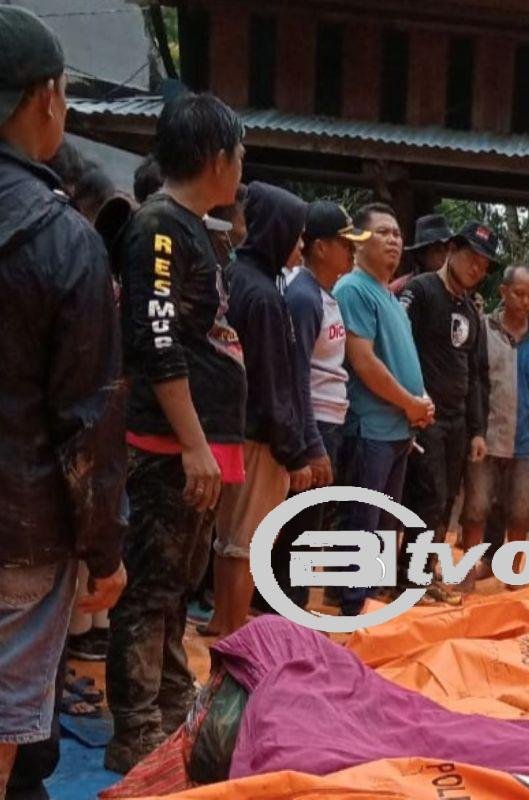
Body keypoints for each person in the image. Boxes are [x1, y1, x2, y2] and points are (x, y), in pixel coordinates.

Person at [0, 7, 127, 793]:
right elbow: (87, 424)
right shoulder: (61, 239)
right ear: (47, 98)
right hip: (19, 526)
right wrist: (104, 551)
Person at [106, 90, 247, 772]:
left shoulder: (191, 228)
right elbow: (156, 342)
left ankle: (166, 711)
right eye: (240, 153)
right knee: (151, 588)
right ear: (218, 157)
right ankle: (134, 731)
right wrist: (192, 443)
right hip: (169, 446)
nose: (241, 166)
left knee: (176, 586)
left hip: (197, 442)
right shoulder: (159, 227)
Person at [204, 182, 310, 638]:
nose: (301, 245)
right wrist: (294, 450)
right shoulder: (265, 296)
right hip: (258, 437)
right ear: (278, 231)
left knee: (229, 539)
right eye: (297, 234)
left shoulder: (234, 275)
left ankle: (222, 622)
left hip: (230, 429)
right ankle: (232, 632)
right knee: (247, 543)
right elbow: (271, 382)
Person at [332, 203, 433, 615]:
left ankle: (364, 605)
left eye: (397, 233)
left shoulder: (387, 296)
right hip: (369, 426)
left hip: (396, 430)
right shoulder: (353, 289)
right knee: (362, 522)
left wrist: (421, 402)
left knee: (381, 525)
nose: (394, 240)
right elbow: (364, 362)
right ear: (357, 242)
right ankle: (350, 612)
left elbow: (400, 358)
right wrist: (411, 402)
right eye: (383, 233)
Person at [266, 202, 367, 611]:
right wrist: (311, 444)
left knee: (311, 518)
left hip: (329, 421)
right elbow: (297, 376)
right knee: (299, 521)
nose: (352, 251)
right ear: (321, 248)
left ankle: (290, 603)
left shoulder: (324, 296)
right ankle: (284, 606)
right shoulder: (304, 297)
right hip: (315, 425)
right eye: (346, 243)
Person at [399, 221, 498, 587]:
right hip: (423, 416)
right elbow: (398, 349)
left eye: (484, 264)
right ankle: (410, 577)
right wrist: (408, 403)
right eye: (472, 257)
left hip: (458, 421)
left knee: (446, 502)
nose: (477, 268)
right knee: (428, 496)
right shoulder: (421, 290)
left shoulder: (471, 310)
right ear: (451, 249)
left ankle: (423, 572)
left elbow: (476, 375)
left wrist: (478, 430)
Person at [459, 266, 529, 589]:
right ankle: (468, 574)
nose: (525, 301)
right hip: (484, 437)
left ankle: (513, 576)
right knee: (475, 508)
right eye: (519, 293)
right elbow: (472, 379)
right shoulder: (483, 328)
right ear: (503, 291)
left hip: (526, 442)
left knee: (521, 513)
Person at [390, 212, 453, 294]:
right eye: (438, 250)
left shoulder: (457, 291)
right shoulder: (399, 289)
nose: (445, 256)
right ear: (421, 255)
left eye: (448, 249)